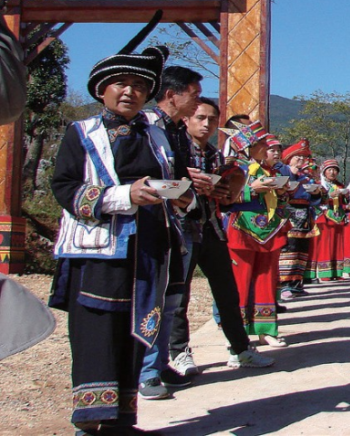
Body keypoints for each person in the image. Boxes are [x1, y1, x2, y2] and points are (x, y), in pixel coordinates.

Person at [49, 42, 178, 434]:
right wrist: (124, 196)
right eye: (120, 83)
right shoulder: (81, 133)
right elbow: (65, 187)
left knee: (135, 330)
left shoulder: (156, 136)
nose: (129, 91)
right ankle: (90, 423)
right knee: (97, 333)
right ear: (101, 89)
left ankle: (123, 420)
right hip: (99, 251)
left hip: (147, 249)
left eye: (139, 86)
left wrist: (183, 195)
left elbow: (169, 181)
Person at [165, 98, 274, 379]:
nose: (206, 124)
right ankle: (179, 351)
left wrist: (226, 191)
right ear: (186, 119)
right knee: (179, 293)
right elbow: (163, 187)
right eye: (200, 118)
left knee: (227, 291)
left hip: (212, 227)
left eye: (212, 119)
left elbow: (226, 199)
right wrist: (188, 185)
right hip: (181, 227)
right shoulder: (173, 151)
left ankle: (240, 348)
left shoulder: (215, 155)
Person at [138, 66, 204, 397]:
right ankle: (146, 370)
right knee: (150, 298)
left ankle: (162, 361)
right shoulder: (146, 128)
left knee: (173, 297)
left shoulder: (176, 131)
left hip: (176, 225)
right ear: (171, 95)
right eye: (193, 95)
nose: (197, 102)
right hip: (148, 224)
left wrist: (190, 186)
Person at [222, 120, 290, 347]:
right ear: (246, 147)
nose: (266, 147)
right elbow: (224, 197)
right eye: (261, 143)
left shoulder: (269, 170)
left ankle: (266, 329)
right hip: (242, 228)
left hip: (269, 230)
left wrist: (281, 192)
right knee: (240, 282)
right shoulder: (233, 168)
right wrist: (251, 190)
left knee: (266, 279)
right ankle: (237, 335)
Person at [278, 139, 321, 300]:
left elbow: (317, 197)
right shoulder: (282, 172)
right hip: (289, 215)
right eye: (298, 157)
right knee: (289, 250)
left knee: (302, 250)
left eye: (304, 157)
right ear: (289, 158)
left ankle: (297, 283)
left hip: (304, 217)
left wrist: (316, 192)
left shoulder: (306, 177)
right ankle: (284, 285)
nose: (301, 160)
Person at [310, 159, 348, 282]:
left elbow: (345, 203)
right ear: (324, 172)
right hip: (325, 216)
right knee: (325, 245)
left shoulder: (340, 185)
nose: (332, 172)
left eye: (335, 170)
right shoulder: (319, 185)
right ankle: (325, 272)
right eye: (330, 170)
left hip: (338, 217)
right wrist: (328, 196)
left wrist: (346, 196)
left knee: (338, 244)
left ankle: (337, 271)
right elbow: (315, 201)